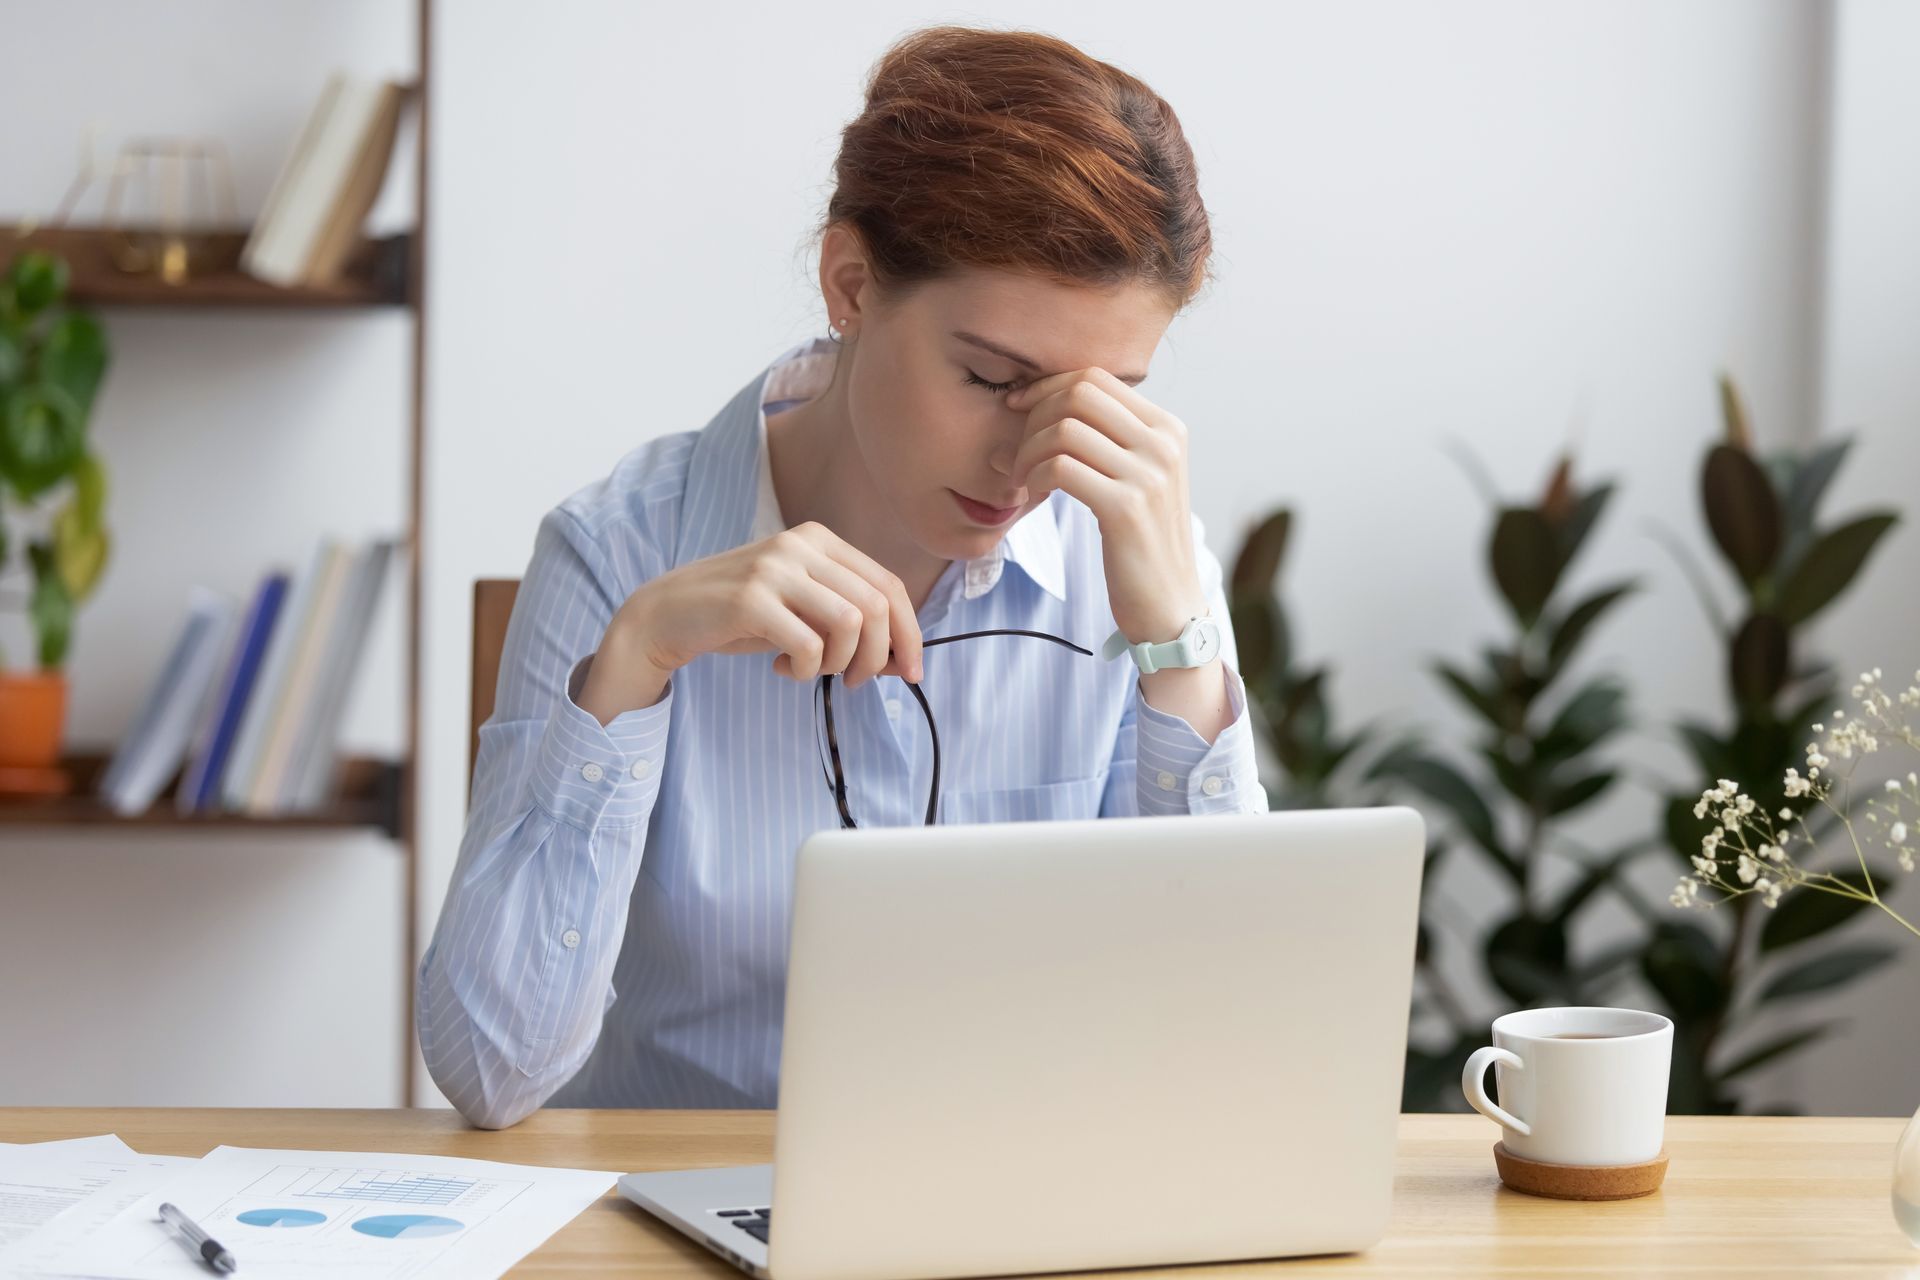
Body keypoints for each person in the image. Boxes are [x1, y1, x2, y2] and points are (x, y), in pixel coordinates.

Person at [419, 23, 1268, 1129]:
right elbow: (492, 1073)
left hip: (1025, 1197)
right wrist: (634, 664)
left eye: (1100, 400)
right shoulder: (618, 550)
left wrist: (1178, 651)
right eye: (993, 379)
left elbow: (1229, 1053)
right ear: (851, 285)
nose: (1031, 460)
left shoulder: (1140, 567)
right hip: (678, 1199)